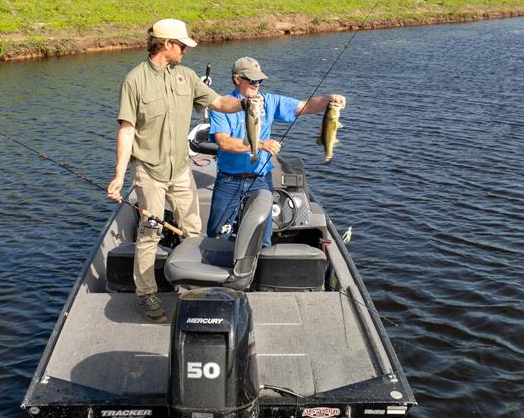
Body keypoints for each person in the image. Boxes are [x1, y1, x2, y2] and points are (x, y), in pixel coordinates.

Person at [107, 18, 245, 323]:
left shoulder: (187, 76)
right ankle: (146, 295)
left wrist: (245, 104)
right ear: (166, 44)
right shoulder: (134, 81)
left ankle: (192, 289)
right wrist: (119, 175)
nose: (185, 50)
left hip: (181, 170)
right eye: (181, 45)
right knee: (150, 234)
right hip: (149, 172)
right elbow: (126, 131)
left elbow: (220, 102)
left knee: (193, 231)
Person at [206, 57, 347, 248]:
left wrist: (329, 100)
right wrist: (261, 145)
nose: (257, 84)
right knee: (217, 234)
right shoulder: (221, 106)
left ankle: (259, 270)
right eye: (252, 80)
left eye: (260, 81)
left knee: (263, 235)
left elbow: (304, 106)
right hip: (229, 181)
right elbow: (224, 143)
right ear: (237, 79)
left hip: (261, 180)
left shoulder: (270, 101)